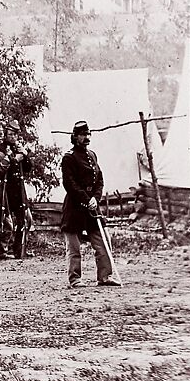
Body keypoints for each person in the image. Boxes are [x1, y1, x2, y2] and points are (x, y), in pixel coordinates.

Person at [61, 120, 121, 288]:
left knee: (102, 241)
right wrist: (86, 200)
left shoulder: (92, 155)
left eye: (88, 134)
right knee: (73, 247)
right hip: (75, 207)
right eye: (82, 135)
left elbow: (99, 179)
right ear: (75, 137)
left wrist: (95, 197)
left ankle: (104, 276)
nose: (86, 138)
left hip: (93, 206)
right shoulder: (69, 158)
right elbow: (70, 184)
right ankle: (75, 279)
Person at [2, 120, 34, 258]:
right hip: (7, 189)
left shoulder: (17, 148)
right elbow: (4, 166)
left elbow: (28, 168)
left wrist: (24, 155)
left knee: (25, 220)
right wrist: (16, 159)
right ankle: (3, 249)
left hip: (19, 189)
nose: (13, 137)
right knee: (7, 221)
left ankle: (20, 249)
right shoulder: (1, 148)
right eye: (10, 134)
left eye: (15, 135)